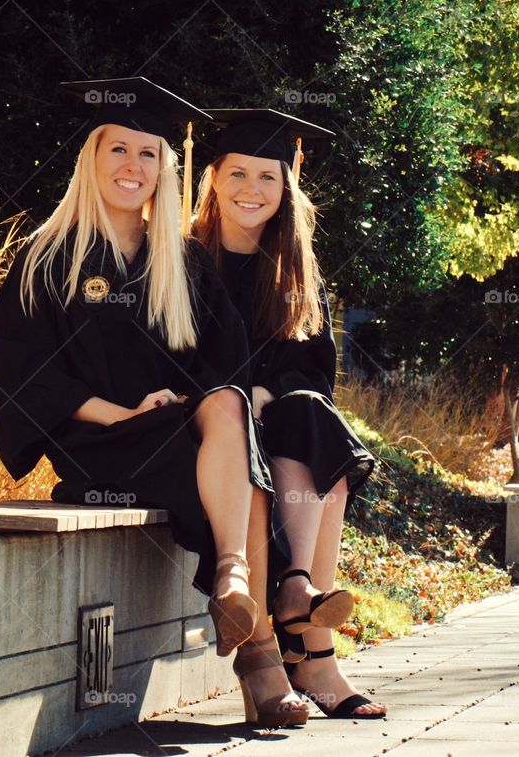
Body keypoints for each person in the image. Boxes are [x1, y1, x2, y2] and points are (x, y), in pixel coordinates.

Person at [0, 80, 308, 727]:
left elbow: (226, 369)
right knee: (245, 466)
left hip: (177, 436)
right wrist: (121, 412)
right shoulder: (47, 259)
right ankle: (258, 654)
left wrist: (182, 402)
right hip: (98, 447)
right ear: (92, 159)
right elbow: (26, 376)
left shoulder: (185, 263)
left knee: (229, 410)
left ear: (166, 169)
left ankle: (234, 581)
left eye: (147, 154)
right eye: (119, 151)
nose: (133, 167)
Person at [192, 109, 386, 719]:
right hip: (209, 422)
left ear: (287, 187)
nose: (252, 190)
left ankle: (298, 585)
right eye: (238, 174)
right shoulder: (185, 260)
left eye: (268, 178)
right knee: (270, 416)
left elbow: (312, 365)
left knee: (309, 412)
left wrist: (273, 390)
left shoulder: (294, 269)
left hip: (273, 417)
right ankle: (310, 641)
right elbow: (170, 353)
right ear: (214, 178)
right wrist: (243, 389)